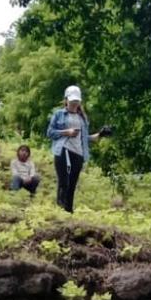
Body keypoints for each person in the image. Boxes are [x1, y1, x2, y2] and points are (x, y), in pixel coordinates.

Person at [46, 85, 104, 213]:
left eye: (76, 102)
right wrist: (66, 132)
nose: (74, 104)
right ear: (66, 100)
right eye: (72, 101)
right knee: (64, 182)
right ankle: (60, 210)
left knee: (72, 184)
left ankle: (69, 211)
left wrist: (99, 135)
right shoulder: (59, 114)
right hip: (63, 150)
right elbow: (50, 133)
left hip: (78, 153)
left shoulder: (82, 118)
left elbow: (83, 137)